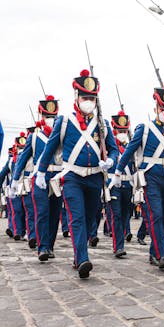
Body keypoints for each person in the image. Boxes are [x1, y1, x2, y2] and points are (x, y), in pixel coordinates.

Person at [35, 69, 118, 278]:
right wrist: (40, 172)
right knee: (77, 218)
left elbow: (114, 148)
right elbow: (49, 148)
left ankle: (78, 255)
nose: (88, 101)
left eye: (92, 98)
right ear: (77, 98)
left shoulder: (103, 124)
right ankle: (82, 259)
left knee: (90, 218)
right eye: (85, 97)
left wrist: (111, 160)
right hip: (72, 177)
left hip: (95, 178)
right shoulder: (64, 121)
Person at [110, 79, 164, 269]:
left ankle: (154, 252)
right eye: (163, 106)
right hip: (151, 177)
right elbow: (129, 151)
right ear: (156, 107)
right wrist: (118, 171)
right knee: (157, 215)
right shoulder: (144, 128)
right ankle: (162, 255)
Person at [13, 95, 63, 257]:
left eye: (53, 117)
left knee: (55, 214)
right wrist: (15, 179)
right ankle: (42, 247)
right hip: (39, 178)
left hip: (57, 177)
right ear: (41, 117)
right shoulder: (34, 137)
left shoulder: (61, 135)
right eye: (47, 117)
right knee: (41, 212)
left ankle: (50, 246)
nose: (50, 120)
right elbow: (22, 160)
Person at [105, 110, 134, 258]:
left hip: (127, 185)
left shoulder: (131, 145)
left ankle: (121, 239)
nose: (122, 132)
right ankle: (118, 246)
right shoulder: (110, 147)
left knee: (125, 215)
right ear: (114, 129)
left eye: (124, 130)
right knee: (116, 215)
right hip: (112, 184)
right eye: (119, 130)